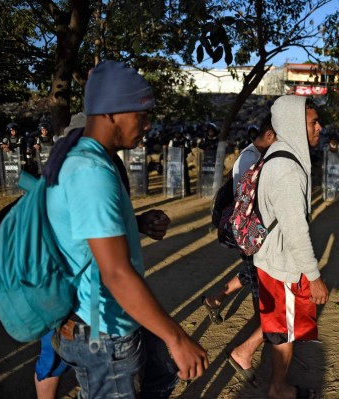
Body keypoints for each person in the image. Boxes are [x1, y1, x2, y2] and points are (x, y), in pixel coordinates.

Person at [45, 60, 208, 398]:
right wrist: (177, 337)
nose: (148, 125)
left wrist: (134, 224)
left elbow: (83, 233)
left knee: (161, 374)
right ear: (110, 114)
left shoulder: (87, 158)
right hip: (103, 333)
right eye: (141, 114)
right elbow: (116, 274)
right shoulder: (91, 171)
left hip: (101, 320)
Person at [254, 95, 329, 398]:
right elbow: (295, 230)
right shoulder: (288, 170)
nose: (319, 127)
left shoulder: (279, 155)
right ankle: (278, 389)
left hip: (272, 259)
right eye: (313, 122)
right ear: (294, 125)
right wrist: (314, 277)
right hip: (281, 265)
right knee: (283, 332)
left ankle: (275, 383)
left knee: (280, 326)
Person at [202, 114, 277, 387]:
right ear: (269, 136)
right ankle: (262, 334)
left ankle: (214, 300)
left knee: (248, 274)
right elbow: (247, 201)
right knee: (258, 283)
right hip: (249, 232)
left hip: (250, 232)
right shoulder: (249, 159)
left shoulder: (253, 155)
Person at [166, 127, 192, 196]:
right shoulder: (172, 141)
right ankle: (173, 191)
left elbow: (189, 149)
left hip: (183, 160)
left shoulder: (185, 140)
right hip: (174, 161)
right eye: (176, 134)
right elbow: (169, 149)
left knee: (185, 175)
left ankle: (187, 191)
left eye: (178, 133)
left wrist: (184, 148)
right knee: (173, 176)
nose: (177, 135)